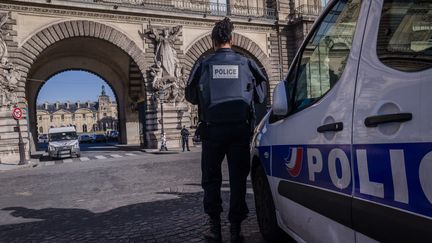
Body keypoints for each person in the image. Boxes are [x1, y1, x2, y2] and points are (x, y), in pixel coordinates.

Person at [185, 17, 267, 243]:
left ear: (213, 42)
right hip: (240, 130)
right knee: (238, 180)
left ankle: (214, 227)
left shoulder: (203, 64)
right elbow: (261, 95)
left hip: (212, 131)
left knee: (211, 179)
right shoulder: (247, 63)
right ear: (231, 39)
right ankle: (236, 228)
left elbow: (190, 96)